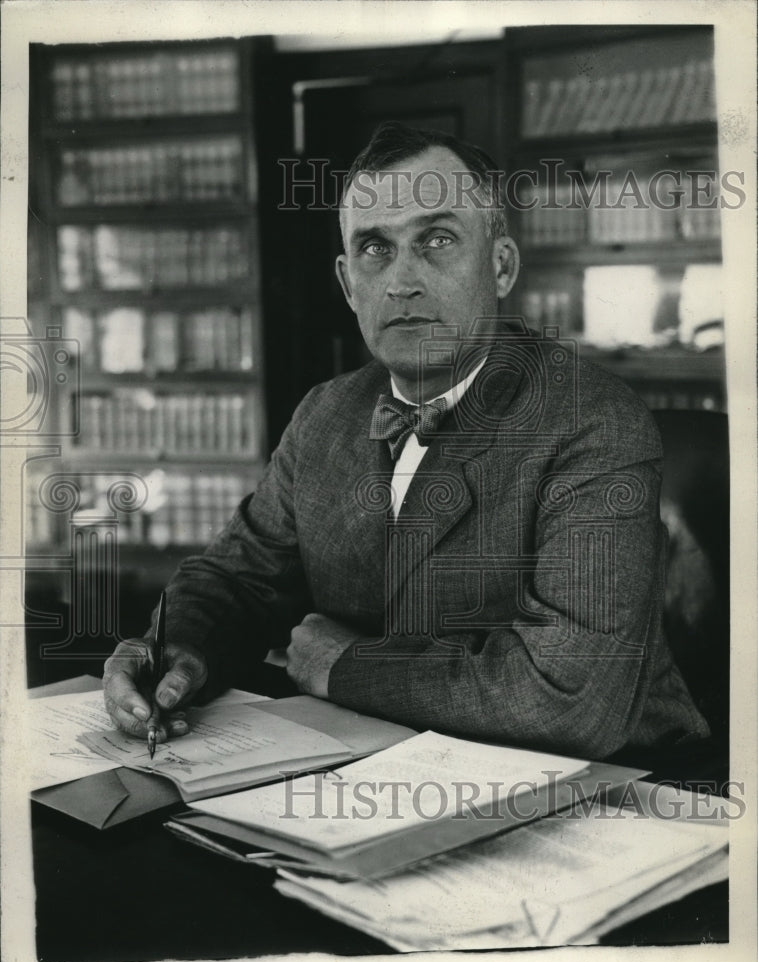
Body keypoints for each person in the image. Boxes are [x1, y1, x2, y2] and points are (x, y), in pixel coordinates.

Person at [103, 121, 709, 762]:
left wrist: (347, 666)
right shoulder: (326, 415)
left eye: (438, 240)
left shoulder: (593, 423)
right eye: (375, 250)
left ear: (500, 266)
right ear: (347, 284)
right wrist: (174, 652)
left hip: (612, 791)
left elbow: (566, 697)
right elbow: (239, 580)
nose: (401, 280)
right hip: (380, 767)